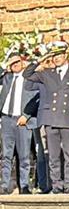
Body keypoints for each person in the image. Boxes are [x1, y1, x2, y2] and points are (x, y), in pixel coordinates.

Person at [23, 41, 69, 194]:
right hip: (51, 119)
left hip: (68, 119)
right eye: (54, 55)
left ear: (66, 55)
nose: (56, 58)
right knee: (53, 156)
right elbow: (27, 74)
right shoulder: (47, 73)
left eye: (59, 55)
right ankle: (57, 185)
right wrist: (41, 59)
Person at [0, 51, 34, 194]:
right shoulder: (7, 78)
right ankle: (4, 185)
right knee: (6, 155)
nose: (15, 65)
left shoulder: (29, 79)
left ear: (22, 63)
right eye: (12, 63)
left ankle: (24, 186)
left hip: (22, 120)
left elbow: (35, 98)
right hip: (7, 119)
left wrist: (26, 115)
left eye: (17, 62)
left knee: (24, 155)